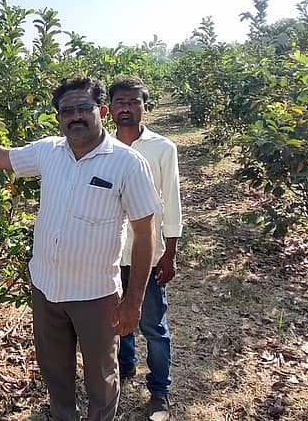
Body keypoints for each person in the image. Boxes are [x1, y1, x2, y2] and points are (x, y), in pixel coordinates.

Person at [0, 75, 161, 421]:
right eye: (67, 110)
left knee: (102, 376)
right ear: (58, 117)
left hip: (95, 294)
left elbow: (144, 233)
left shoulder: (127, 163)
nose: (75, 116)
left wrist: (133, 301)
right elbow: (2, 157)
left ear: (101, 111)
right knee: (54, 370)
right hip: (46, 289)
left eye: (83, 107)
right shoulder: (49, 151)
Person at [110, 75, 182, 419]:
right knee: (116, 318)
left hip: (148, 254)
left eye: (133, 102)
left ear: (145, 107)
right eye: (120, 102)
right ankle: (125, 367)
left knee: (153, 325)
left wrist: (169, 252)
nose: (126, 108)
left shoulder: (162, 148)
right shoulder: (101, 147)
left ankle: (159, 391)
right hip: (110, 252)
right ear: (108, 109)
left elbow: (172, 202)